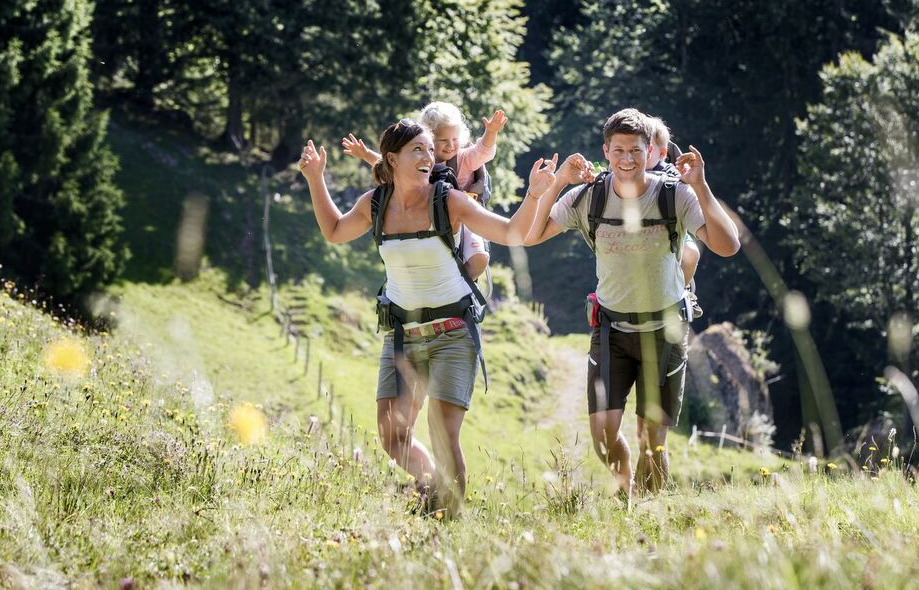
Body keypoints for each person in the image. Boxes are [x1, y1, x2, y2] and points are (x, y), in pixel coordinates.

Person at [299, 119, 555, 515]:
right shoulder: (375, 204)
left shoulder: (448, 199)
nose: (428, 156)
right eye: (417, 149)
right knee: (391, 435)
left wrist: (536, 196)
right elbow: (334, 230)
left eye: (429, 150)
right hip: (403, 335)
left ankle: (447, 520)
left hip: (453, 333)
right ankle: (435, 489)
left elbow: (512, 233)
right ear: (392, 157)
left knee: (442, 433)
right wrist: (316, 178)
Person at [526, 108, 740, 498]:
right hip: (611, 332)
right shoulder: (588, 198)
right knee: (604, 438)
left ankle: (647, 512)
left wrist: (702, 186)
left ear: (650, 151)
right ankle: (627, 495)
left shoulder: (675, 195)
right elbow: (530, 234)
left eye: (635, 151)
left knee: (652, 438)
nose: (627, 159)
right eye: (619, 150)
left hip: (665, 331)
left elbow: (727, 246)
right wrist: (557, 182)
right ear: (605, 151)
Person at [341, 102, 507, 281]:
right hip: (428, 216)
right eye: (443, 140)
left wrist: (491, 132)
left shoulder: (464, 158)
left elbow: (483, 152)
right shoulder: (419, 159)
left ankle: (459, 285)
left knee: (480, 259)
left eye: (455, 139)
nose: (450, 145)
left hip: (463, 216)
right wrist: (366, 154)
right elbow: (391, 165)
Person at [646, 116, 702, 316]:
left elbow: (686, 190)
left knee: (691, 253)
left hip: (671, 227)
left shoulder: (670, 171)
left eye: (648, 148)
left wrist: (687, 178)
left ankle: (682, 290)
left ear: (662, 153)